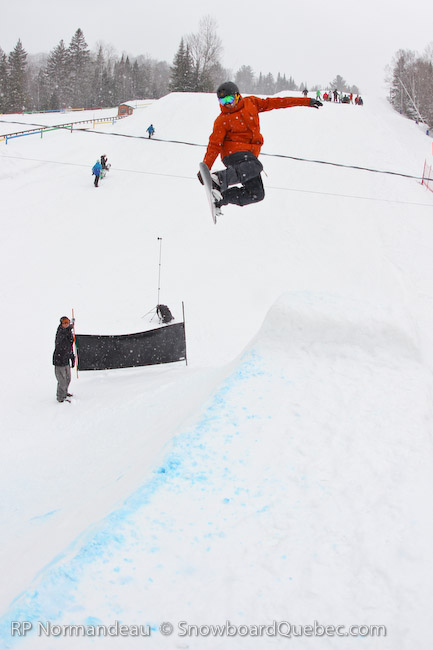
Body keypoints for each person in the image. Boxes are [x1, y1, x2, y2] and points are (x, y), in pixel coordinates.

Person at [198, 81, 322, 212]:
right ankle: (219, 178)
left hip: (249, 158)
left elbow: (278, 102)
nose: (227, 104)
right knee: (256, 166)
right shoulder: (222, 120)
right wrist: (205, 169)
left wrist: (306, 101)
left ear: (237, 95)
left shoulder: (251, 103)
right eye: (223, 101)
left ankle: (220, 198)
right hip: (233, 155)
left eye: (229, 99)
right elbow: (214, 146)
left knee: (256, 194)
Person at [53, 316, 75, 403]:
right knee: (62, 381)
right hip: (59, 360)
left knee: (68, 379)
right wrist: (70, 328)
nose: (66, 324)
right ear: (61, 324)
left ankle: (65, 392)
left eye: (67, 322)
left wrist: (72, 357)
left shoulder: (68, 332)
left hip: (66, 359)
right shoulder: (60, 332)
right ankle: (60, 397)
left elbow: (70, 346)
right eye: (64, 323)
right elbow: (63, 336)